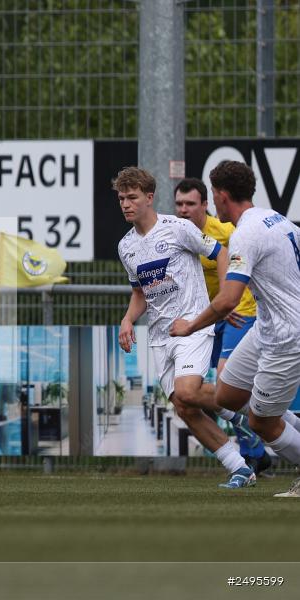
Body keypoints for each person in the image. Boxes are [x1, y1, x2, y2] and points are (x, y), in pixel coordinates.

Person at [114, 166, 253, 489]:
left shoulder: (177, 228)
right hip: (162, 336)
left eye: (132, 197)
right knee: (183, 405)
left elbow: (221, 253)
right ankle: (240, 467)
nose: (125, 204)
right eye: (121, 198)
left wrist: (217, 303)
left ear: (149, 198)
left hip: (191, 325)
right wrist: (127, 319)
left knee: (189, 391)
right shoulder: (126, 247)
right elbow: (140, 293)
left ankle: (248, 412)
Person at [170, 160, 300, 498]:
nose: (213, 203)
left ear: (222, 195)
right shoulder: (277, 218)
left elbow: (228, 300)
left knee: (261, 423)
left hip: (288, 336)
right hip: (267, 328)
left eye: (212, 195)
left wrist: (189, 327)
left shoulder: (245, 234)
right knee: (228, 394)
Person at [173, 178, 269, 474]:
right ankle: (255, 451)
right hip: (206, 319)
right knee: (198, 389)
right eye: (179, 204)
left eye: (191, 204)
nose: (184, 210)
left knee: (226, 382)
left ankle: (261, 436)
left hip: (238, 312)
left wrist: (229, 301)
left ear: (205, 205)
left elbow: (242, 266)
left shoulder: (225, 232)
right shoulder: (175, 234)